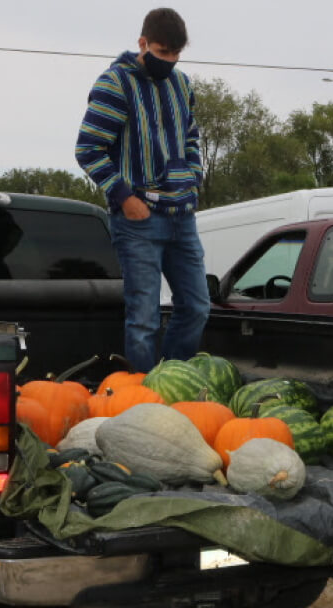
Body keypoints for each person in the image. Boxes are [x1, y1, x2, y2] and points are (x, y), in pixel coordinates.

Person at [74, 8, 209, 372]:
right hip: (139, 220)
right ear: (143, 43)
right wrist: (126, 199)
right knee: (144, 318)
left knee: (197, 306)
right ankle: (141, 401)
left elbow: (192, 135)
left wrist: (193, 176)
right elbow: (88, 149)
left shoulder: (181, 84)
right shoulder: (114, 83)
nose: (170, 60)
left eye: (176, 54)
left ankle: (173, 381)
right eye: (163, 52)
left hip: (182, 216)